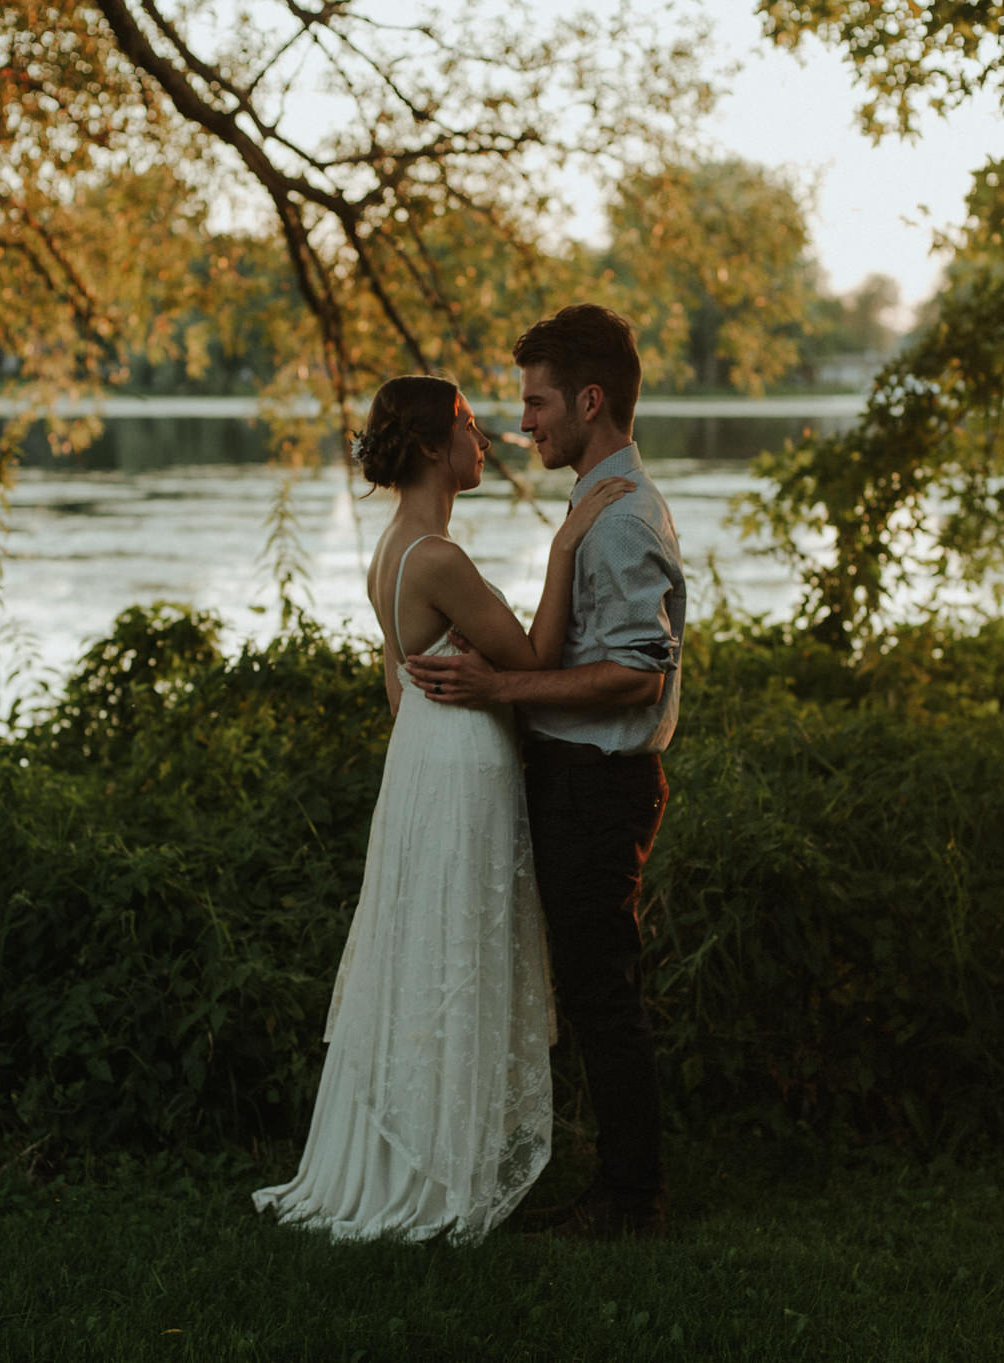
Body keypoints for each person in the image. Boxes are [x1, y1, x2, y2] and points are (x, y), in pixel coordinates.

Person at [252, 373, 632, 1243]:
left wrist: (435, 730)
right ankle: (438, 1168)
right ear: (431, 445)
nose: (486, 437)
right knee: (458, 944)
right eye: (466, 423)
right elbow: (534, 656)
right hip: (459, 763)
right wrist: (568, 543)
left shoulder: (394, 548)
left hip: (423, 756)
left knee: (428, 943)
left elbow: (397, 682)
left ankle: (419, 1149)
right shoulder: (438, 558)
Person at [405, 304, 685, 1240]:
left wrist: (506, 686)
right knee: (595, 982)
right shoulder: (594, 502)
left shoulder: (619, 517)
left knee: (604, 987)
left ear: (590, 399)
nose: (522, 422)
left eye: (535, 403)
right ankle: (618, 1185)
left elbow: (640, 670)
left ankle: (631, 1197)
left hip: (601, 785)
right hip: (576, 775)